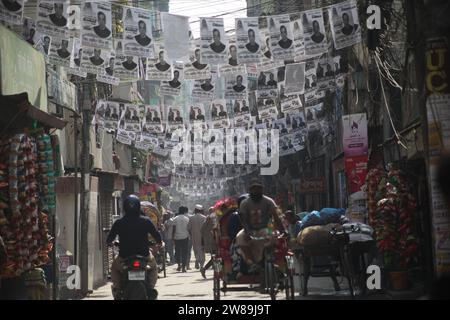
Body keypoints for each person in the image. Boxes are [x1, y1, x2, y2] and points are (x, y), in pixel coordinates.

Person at [106, 195, 162, 298]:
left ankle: (118, 290)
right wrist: (159, 242)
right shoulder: (146, 221)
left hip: (124, 257)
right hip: (144, 256)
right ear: (138, 207)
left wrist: (110, 243)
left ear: (124, 207)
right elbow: (157, 236)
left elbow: (109, 239)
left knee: (114, 268)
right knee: (153, 268)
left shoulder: (119, 222)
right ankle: (150, 288)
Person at [236, 180, 286, 269]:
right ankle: (251, 262)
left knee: (272, 236)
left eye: (258, 189)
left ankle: (270, 258)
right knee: (239, 236)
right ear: (250, 191)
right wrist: (247, 231)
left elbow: (276, 216)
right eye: (253, 189)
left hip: (266, 228)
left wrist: (283, 229)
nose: (256, 191)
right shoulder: (245, 203)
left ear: (262, 190)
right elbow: (243, 219)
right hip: (249, 230)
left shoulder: (268, 201)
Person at [199, 207, 217, 279]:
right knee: (216, 257)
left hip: (217, 240)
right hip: (213, 242)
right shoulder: (208, 220)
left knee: (216, 258)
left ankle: (205, 269)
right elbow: (202, 230)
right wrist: (209, 237)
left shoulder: (216, 218)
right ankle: (216, 272)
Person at [188, 205, 207, 269]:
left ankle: (197, 259)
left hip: (194, 237)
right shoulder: (204, 217)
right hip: (203, 237)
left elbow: (188, 228)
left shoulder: (191, 218)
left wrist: (191, 234)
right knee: (202, 250)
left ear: (195, 210)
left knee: (196, 249)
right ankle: (201, 264)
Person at [172, 206, 190, 272]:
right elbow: (188, 228)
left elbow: (173, 229)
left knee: (178, 252)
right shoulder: (187, 218)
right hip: (185, 237)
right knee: (185, 252)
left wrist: (172, 237)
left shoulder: (175, 218)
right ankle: (183, 267)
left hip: (177, 237)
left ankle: (179, 265)